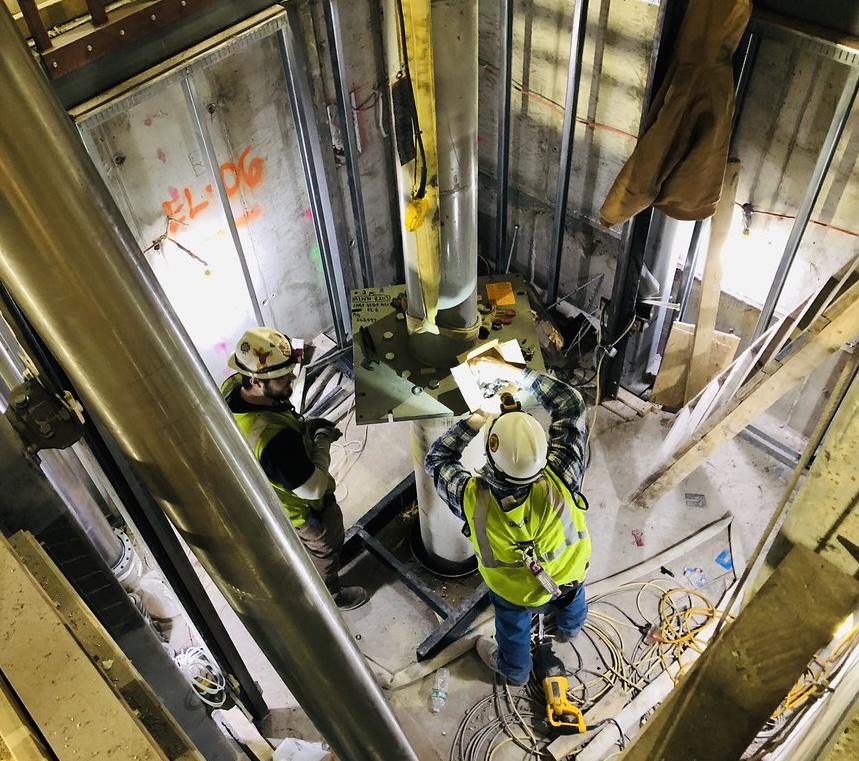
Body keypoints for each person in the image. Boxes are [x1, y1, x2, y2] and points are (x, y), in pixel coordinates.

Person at [424, 356, 590, 685]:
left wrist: (475, 420)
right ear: (545, 451)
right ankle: (569, 629)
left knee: (512, 627)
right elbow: (569, 402)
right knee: (571, 597)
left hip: (514, 592)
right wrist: (512, 372)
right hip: (569, 572)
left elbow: (437, 458)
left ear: (490, 455)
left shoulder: (469, 497)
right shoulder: (562, 472)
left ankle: (515, 671)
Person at [221, 327, 368, 611]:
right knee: (325, 551)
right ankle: (330, 596)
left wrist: (304, 426)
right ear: (255, 380)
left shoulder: (232, 389)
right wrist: (322, 441)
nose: (292, 378)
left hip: (271, 489)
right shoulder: (273, 441)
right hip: (305, 512)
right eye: (282, 377)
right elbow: (312, 487)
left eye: (290, 370)